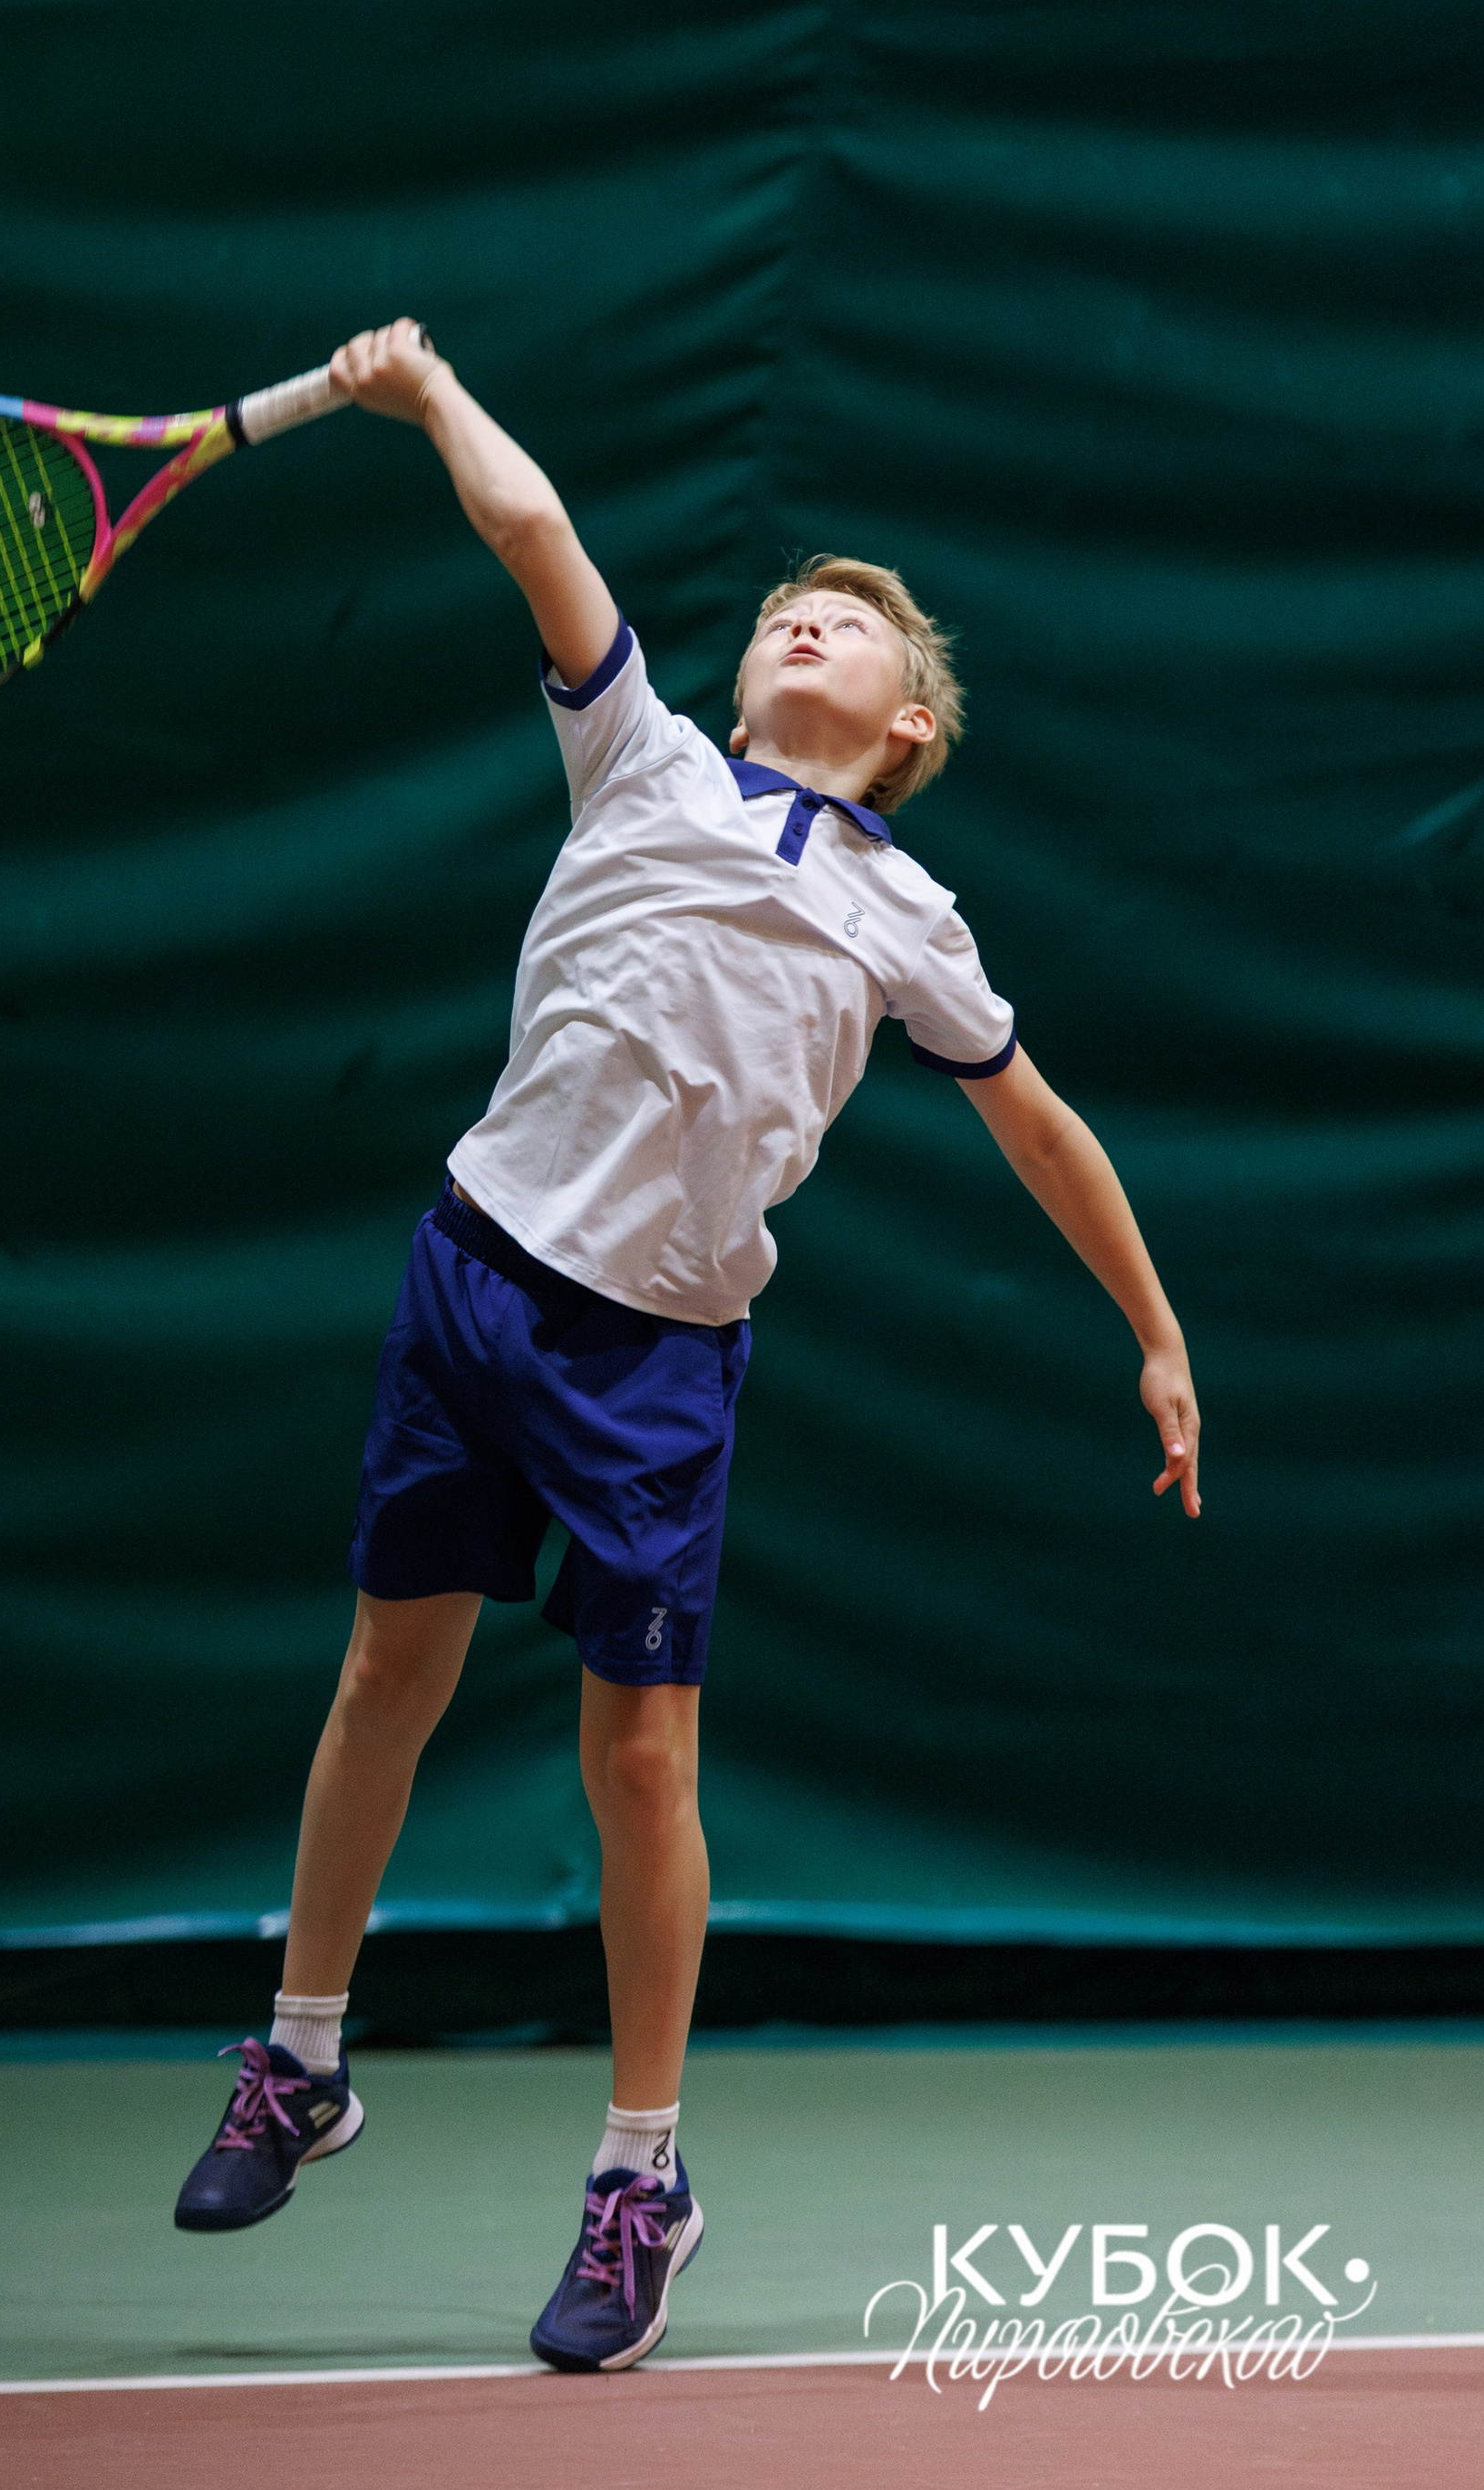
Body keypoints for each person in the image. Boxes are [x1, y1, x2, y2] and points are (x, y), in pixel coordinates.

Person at [172, 320, 1199, 2370]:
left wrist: (1156, 1331)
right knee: (388, 1664)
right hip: (470, 1274)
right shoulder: (636, 750)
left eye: (851, 626)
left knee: (637, 1755)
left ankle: (639, 2175)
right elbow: (527, 518)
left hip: (652, 1362)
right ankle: (300, 2054)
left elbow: (1039, 1121)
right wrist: (429, 384)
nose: (804, 621)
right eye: (785, 607)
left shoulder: (910, 912)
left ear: (907, 725)